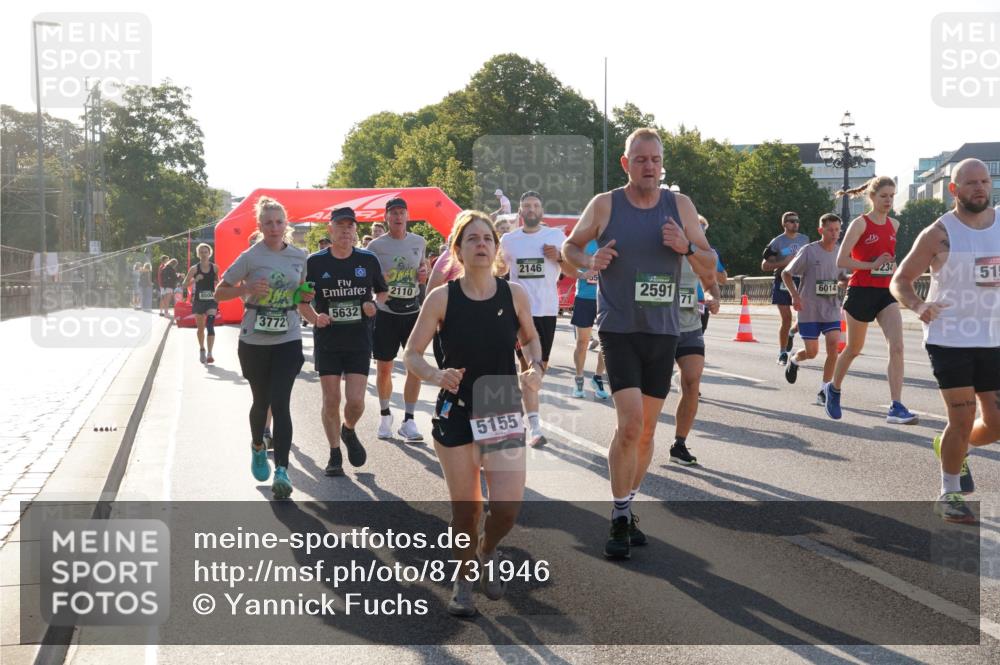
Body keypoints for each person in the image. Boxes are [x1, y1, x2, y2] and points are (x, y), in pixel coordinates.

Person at [563, 128, 717, 560]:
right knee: (629, 424)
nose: (649, 167)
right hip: (619, 327)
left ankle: (628, 505)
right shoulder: (606, 204)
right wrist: (589, 262)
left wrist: (686, 247)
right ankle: (617, 513)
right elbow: (569, 247)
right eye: (641, 159)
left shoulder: (680, 206)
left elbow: (710, 266)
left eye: (655, 160)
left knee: (647, 431)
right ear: (626, 163)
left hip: (664, 331)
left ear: (661, 163)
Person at [404, 210, 542, 617]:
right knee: (467, 509)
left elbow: (530, 340)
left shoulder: (514, 294)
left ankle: (487, 550)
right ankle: (464, 577)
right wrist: (434, 372)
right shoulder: (442, 297)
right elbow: (411, 352)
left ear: (496, 249)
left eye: (487, 238)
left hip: (500, 400)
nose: (481, 244)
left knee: (506, 509)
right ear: (458, 250)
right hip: (457, 407)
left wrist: (534, 366)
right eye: (472, 239)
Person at [891, 159, 1000, 524]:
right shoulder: (939, 233)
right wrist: (919, 305)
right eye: (970, 183)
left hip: (993, 336)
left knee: (996, 423)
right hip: (949, 336)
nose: (980, 188)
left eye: (984, 180)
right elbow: (901, 280)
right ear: (953, 189)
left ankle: (953, 447)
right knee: (963, 415)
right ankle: (948, 491)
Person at [215, 196, 311, 499]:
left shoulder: (300, 256)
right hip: (255, 339)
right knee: (261, 401)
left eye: (279, 222)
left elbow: (301, 297)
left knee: (280, 403)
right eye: (268, 223)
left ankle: (282, 470)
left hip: (288, 336)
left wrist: (312, 308)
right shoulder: (250, 257)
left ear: (286, 225)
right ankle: (258, 445)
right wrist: (245, 288)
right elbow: (219, 293)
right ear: (260, 225)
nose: (274, 227)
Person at [822, 176, 917, 424]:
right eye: (883, 196)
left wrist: (891, 265)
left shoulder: (894, 224)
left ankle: (896, 406)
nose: (888, 200)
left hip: (885, 292)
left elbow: (889, 257)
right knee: (854, 349)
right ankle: (833, 388)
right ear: (872, 197)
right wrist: (871, 265)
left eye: (892, 196)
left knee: (897, 347)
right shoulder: (860, 224)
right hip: (861, 291)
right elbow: (841, 261)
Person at [301, 207, 388, 476]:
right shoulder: (315, 263)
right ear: (331, 229)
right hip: (328, 340)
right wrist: (316, 318)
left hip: (359, 339)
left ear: (355, 231)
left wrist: (374, 305)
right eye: (341, 226)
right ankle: (334, 453)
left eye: (351, 226)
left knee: (356, 402)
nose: (346, 231)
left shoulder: (368, 260)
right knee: (331, 400)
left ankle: (348, 429)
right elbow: (301, 301)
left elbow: (383, 292)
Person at [497, 191, 566, 447]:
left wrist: (559, 256)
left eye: (536, 205)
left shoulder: (556, 236)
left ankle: (519, 415)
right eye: (526, 206)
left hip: (547, 310)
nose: (531, 209)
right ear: (520, 212)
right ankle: (534, 428)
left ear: (542, 211)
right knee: (529, 367)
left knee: (539, 370)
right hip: (518, 313)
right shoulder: (508, 240)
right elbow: (499, 271)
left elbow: (573, 271)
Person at [367, 197, 428, 442]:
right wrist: (381, 278)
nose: (398, 217)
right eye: (393, 213)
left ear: (407, 215)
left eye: (402, 212)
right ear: (386, 217)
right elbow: (369, 281)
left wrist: (423, 274)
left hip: (412, 312)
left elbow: (423, 273)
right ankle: (385, 415)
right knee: (384, 368)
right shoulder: (374, 247)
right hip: (386, 313)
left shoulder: (419, 242)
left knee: (415, 367)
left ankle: (409, 420)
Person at [782, 214, 849, 402]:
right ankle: (794, 359)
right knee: (812, 352)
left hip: (832, 308)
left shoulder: (840, 253)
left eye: (837, 230)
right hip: (809, 308)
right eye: (830, 230)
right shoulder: (809, 251)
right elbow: (786, 273)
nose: (835, 233)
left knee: (833, 348)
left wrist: (846, 280)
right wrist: (795, 296)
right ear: (821, 231)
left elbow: (842, 276)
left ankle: (824, 390)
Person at [671, 244, 721, 465]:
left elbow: (710, 281)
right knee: (651, 390)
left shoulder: (698, 251)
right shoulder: (649, 242)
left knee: (692, 382)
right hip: (655, 328)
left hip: (690, 326)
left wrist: (713, 298)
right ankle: (640, 439)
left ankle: (679, 444)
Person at [761, 212, 808, 364]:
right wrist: (783, 263)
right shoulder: (777, 242)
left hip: (801, 280)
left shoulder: (804, 240)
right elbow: (764, 266)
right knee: (786, 318)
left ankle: (791, 333)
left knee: (805, 316)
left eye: (797, 221)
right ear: (784, 224)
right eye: (791, 221)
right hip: (782, 280)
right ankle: (782, 353)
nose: (795, 223)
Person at [570, 239, 610, 400]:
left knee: (607, 342)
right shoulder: (583, 242)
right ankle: (579, 378)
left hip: (608, 299)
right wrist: (581, 273)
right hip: (585, 298)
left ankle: (598, 377)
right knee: (582, 343)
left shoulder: (612, 239)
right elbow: (568, 262)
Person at [182, 243, 220, 364]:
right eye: (201, 252)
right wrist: (194, 279)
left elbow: (218, 282)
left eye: (206, 252)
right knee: (200, 329)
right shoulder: (194, 269)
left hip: (211, 301)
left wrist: (218, 287)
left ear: (209, 254)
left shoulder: (215, 268)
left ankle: (210, 353)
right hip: (199, 301)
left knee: (210, 324)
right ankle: (202, 349)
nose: (204, 254)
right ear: (198, 254)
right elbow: (184, 285)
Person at [698, 216, 727, 333]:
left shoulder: (711, 253)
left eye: (703, 229)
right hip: (671, 309)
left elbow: (723, 279)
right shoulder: (672, 248)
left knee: (695, 345)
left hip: (700, 306)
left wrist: (714, 300)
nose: (700, 232)